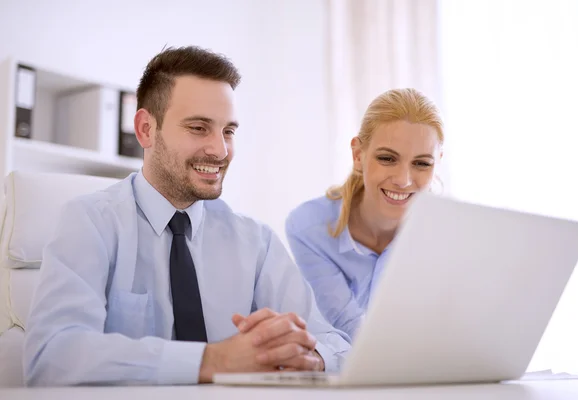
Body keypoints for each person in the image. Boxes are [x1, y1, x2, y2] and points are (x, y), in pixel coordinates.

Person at [23, 46, 351, 386]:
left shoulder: (256, 242)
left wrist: (310, 358)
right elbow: (51, 357)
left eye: (228, 131)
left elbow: (338, 346)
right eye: (199, 128)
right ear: (146, 129)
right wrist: (213, 360)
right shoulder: (89, 222)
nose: (220, 150)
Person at [285, 88, 445, 340]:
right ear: (358, 156)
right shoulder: (309, 227)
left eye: (422, 163)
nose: (403, 180)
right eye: (387, 158)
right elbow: (347, 327)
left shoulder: (448, 233)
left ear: (438, 162)